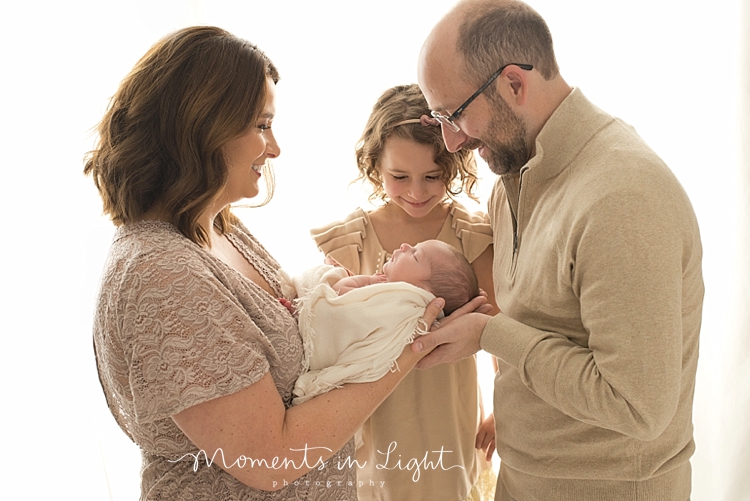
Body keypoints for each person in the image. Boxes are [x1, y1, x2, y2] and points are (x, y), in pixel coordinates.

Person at [83, 26, 486, 500]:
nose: (274, 148)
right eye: (261, 125)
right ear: (201, 124)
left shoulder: (216, 227)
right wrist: (409, 346)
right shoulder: (161, 273)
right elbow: (270, 459)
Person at [413, 1, 704, 501]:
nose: (451, 140)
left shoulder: (623, 196)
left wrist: (490, 333)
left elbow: (638, 407)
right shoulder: (510, 182)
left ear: (513, 84)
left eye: (453, 114)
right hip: (524, 478)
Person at [311, 83, 499, 501]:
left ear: (454, 165)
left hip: (448, 414)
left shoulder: (470, 236)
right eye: (400, 177)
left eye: (433, 177)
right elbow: (327, 326)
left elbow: (499, 330)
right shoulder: (350, 242)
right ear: (374, 163)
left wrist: (502, 407)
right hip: (374, 417)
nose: (417, 192)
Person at [284, 240, 479, 404]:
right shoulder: (400, 302)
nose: (404, 246)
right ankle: (300, 315)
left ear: (422, 292)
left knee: (325, 285)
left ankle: (301, 316)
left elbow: (342, 298)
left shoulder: (399, 304)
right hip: (335, 342)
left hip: (327, 339)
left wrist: (365, 281)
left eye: (415, 255)